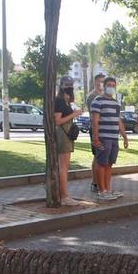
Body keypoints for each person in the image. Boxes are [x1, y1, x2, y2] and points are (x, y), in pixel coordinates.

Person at [89, 76, 129, 199]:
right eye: (109, 85)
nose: (111, 87)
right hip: (103, 138)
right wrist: (95, 138)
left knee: (109, 164)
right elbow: (95, 121)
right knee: (102, 164)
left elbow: (119, 121)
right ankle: (102, 191)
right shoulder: (98, 100)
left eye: (113, 85)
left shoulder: (116, 103)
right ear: (104, 86)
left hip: (113, 138)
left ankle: (108, 189)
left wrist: (125, 137)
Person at [53, 78, 84, 206]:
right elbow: (57, 121)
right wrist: (74, 114)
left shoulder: (65, 100)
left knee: (64, 166)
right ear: (61, 86)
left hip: (66, 135)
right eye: (67, 85)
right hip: (62, 135)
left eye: (71, 85)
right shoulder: (59, 100)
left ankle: (64, 195)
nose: (70, 87)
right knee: (63, 167)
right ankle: (64, 197)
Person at [85, 73, 107, 195]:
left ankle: (100, 182)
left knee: (101, 156)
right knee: (97, 156)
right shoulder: (92, 96)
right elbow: (94, 115)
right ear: (95, 82)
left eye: (103, 82)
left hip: (104, 129)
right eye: (100, 82)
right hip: (95, 129)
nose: (101, 84)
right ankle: (95, 183)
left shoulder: (103, 95)